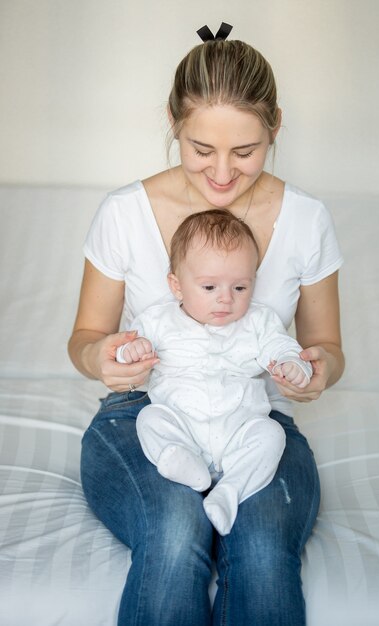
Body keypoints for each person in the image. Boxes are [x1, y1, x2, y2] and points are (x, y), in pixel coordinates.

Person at [68, 22, 344, 626]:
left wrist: (317, 372)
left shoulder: (307, 219)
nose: (221, 175)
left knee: (266, 552)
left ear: (274, 125)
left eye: (245, 152)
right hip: (143, 414)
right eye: (201, 149)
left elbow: (327, 346)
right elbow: (84, 340)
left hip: (253, 417)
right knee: (172, 530)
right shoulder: (123, 214)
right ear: (173, 121)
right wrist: (105, 357)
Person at [115, 209, 313, 536]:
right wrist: (130, 351)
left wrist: (294, 365)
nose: (225, 299)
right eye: (209, 287)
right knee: (149, 420)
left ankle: (229, 492)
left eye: (240, 287)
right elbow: (126, 351)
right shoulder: (158, 321)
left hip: (240, 428)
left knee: (272, 435)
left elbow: (282, 347)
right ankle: (184, 465)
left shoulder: (258, 322)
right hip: (182, 427)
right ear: (176, 286)